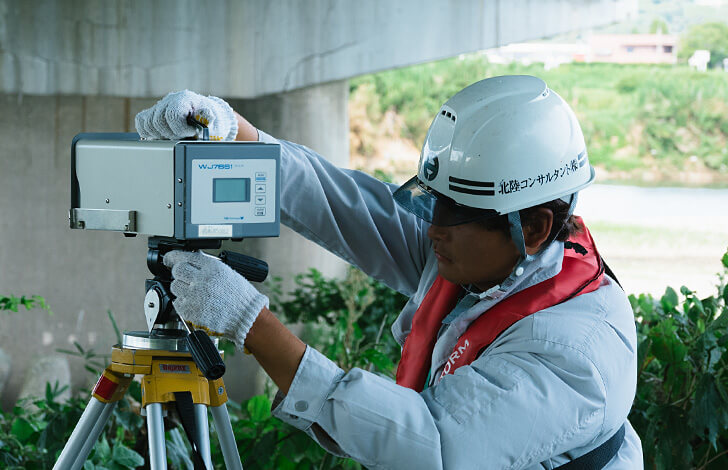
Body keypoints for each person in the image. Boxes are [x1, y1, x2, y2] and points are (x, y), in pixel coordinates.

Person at [135, 75, 643, 469]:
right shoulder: (494, 260)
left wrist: (252, 323)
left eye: (453, 214)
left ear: (532, 227)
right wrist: (233, 133)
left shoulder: (575, 355)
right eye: (432, 204)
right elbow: (347, 207)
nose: (431, 229)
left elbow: (431, 445)